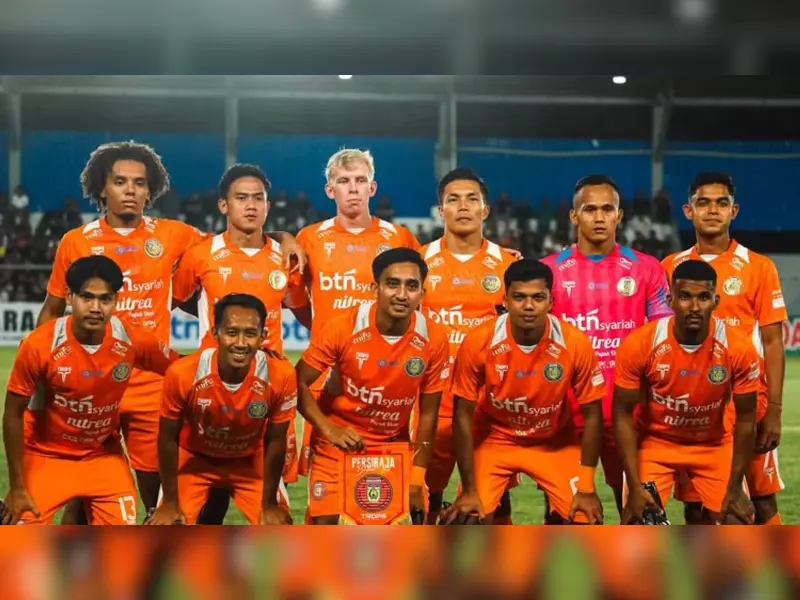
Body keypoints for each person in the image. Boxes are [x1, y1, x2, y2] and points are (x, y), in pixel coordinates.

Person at [37, 141, 304, 523]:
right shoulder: (76, 241)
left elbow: (242, 235)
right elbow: (51, 310)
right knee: (82, 491)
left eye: (139, 183)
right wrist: (44, 371)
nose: (131, 190)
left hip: (150, 384)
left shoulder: (175, 235)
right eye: (120, 182)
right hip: (88, 382)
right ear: (102, 187)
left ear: (150, 190)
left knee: (158, 496)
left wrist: (284, 237)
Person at [171, 163, 310, 523]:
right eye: (241, 198)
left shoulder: (285, 258)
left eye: (258, 198)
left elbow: (305, 313)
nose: (250, 205)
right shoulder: (201, 255)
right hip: (211, 391)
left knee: (273, 507)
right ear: (224, 205)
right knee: (200, 500)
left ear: (268, 206)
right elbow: (174, 300)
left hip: (267, 391)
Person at [1, 256, 179, 525]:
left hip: (102, 456)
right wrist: (17, 487)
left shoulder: (131, 339)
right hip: (46, 455)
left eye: (105, 299)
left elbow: (181, 369)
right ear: (69, 297)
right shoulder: (39, 345)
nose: (96, 308)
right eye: (86, 297)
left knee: (120, 546)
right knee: (17, 544)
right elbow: (12, 414)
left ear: (116, 301)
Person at [540, 174, 672, 518]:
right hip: (567, 417)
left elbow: (664, 340)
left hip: (629, 415)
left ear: (619, 215)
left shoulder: (647, 269)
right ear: (574, 216)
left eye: (607, 209)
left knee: (637, 514)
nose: (599, 217)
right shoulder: (548, 272)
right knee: (568, 518)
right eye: (589, 209)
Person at [662, 172, 787, 525]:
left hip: (748, 403)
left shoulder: (759, 266)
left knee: (762, 500)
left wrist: (774, 410)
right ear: (688, 211)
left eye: (721, 203)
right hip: (693, 409)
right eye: (703, 202)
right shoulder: (670, 267)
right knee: (696, 506)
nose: (712, 210)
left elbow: (773, 341)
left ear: (734, 210)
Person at [443, 259, 606, 525]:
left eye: (538, 298)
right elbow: (462, 414)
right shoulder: (478, 341)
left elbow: (593, 414)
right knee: (466, 520)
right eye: (519, 297)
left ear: (551, 302)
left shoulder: (575, 343)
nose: (528, 306)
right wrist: (469, 490)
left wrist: (587, 487)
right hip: (496, 440)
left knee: (585, 518)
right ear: (505, 301)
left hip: (552, 442)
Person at [295, 248, 449, 524]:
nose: (402, 294)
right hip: (338, 445)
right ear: (374, 289)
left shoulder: (433, 337)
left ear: (422, 294)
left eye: (411, 286)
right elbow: (297, 383)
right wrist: (329, 429)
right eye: (392, 284)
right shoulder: (343, 327)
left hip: (393, 446)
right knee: (325, 528)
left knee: (405, 532)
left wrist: (417, 478)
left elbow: (428, 413)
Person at [294, 149, 420, 485]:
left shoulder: (399, 238)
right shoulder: (309, 238)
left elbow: (420, 291)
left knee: (382, 486)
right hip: (326, 379)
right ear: (329, 190)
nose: (353, 188)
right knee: (326, 485)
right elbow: (297, 302)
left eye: (360, 180)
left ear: (372, 187)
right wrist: (325, 333)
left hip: (386, 378)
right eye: (344, 181)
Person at [613, 259, 759, 525]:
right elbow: (622, 415)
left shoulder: (738, 347)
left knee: (737, 521)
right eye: (685, 297)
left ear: (715, 301)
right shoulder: (640, 344)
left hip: (713, 445)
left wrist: (736, 484)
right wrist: (634, 486)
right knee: (638, 524)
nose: (694, 307)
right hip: (655, 444)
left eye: (703, 297)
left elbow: (747, 420)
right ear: (670, 300)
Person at [419, 168, 519, 524]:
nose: (463, 206)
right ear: (440, 210)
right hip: (431, 406)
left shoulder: (509, 265)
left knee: (494, 507)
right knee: (425, 501)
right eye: (453, 199)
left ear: (485, 210)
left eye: (471, 199)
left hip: (489, 409)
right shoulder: (419, 262)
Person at [147, 294, 296, 525]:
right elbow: (168, 437)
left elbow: (276, 440)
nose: (240, 343)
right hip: (194, 460)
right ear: (215, 333)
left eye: (250, 333)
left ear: (263, 337)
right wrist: (169, 503)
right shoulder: (182, 373)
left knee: (279, 527)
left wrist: (269, 504)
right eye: (232, 332)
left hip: (249, 461)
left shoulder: (282, 374)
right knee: (166, 526)